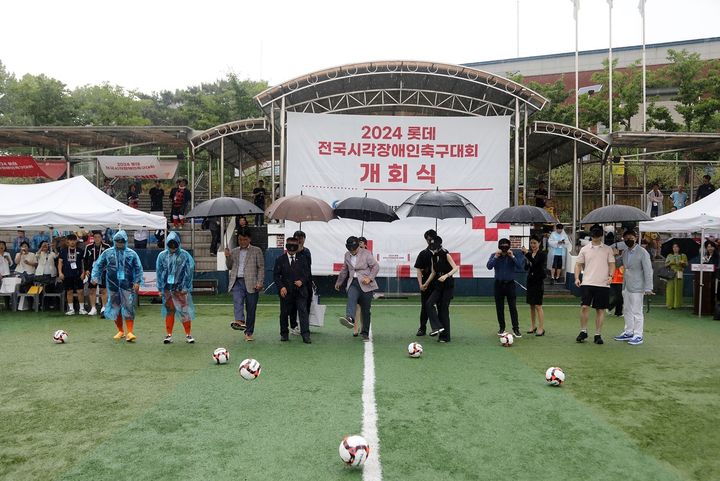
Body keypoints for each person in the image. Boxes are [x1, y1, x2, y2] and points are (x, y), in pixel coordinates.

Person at [91, 230, 144, 342]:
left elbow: (138, 268)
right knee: (116, 307)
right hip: (113, 285)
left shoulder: (132, 254)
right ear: (114, 241)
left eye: (121, 241)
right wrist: (95, 277)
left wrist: (137, 282)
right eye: (117, 241)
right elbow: (98, 265)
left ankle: (130, 332)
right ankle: (120, 331)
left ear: (125, 241)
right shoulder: (107, 253)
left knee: (128, 307)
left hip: (127, 285)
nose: (119, 244)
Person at [574, 224, 615, 345]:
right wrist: (577, 278)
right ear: (591, 235)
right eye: (594, 234)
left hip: (603, 283)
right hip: (587, 282)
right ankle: (583, 330)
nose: (595, 237)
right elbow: (578, 264)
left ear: (601, 235)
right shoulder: (585, 249)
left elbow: (612, 264)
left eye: (598, 234)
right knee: (584, 307)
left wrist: (611, 276)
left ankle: (598, 334)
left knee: (600, 310)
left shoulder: (608, 249)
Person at [613, 230, 654, 346]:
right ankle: (628, 331)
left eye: (630, 237)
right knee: (627, 309)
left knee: (637, 311)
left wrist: (648, 287)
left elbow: (648, 270)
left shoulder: (643, 252)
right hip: (626, 285)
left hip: (638, 286)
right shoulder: (625, 252)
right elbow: (617, 264)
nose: (628, 240)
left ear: (635, 238)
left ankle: (638, 335)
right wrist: (616, 255)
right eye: (625, 238)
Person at [336, 236, 380, 342]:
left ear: (357, 247)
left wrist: (369, 278)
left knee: (366, 310)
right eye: (350, 249)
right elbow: (344, 270)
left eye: (354, 249)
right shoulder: (347, 255)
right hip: (353, 283)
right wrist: (339, 282)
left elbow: (376, 266)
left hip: (366, 284)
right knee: (351, 297)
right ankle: (350, 318)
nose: (352, 251)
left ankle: (365, 333)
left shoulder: (367, 253)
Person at [225, 228, 265, 342]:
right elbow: (229, 266)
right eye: (240, 239)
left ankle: (249, 332)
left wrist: (260, 282)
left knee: (251, 309)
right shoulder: (234, 251)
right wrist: (227, 256)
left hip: (252, 283)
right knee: (237, 301)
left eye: (244, 239)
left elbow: (261, 267)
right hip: (237, 281)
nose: (242, 242)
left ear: (249, 239)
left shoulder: (257, 250)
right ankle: (239, 321)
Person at [156, 231, 196, 344]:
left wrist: (186, 287)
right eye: (170, 245)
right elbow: (159, 272)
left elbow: (189, 271)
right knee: (170, 310)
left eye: (174, 245)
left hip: (180, 289)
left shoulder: (184, 255)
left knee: (184, 311)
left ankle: (188, 334)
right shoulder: (162, 255)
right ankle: (168, 335)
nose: (173, 248)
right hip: (167, 288)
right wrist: (160, 288)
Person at [274, 236, 312, 343]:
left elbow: (307, 273)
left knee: (303, 312)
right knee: (284, 313)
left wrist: (302, 281)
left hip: (300, 291)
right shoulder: (280, 259)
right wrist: (281, 287)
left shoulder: (303, 258)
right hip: (286, 292)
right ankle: (284, 334)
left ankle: (305, 335)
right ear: (286, 247)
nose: (291, 249)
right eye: (289, 246)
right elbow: (276, 275)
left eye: (294, 246)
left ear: (297, 246)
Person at [421, 236, 458, 343]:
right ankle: (437, 327)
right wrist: (425, 284)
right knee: (429, 303)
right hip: (438, 284)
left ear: (439, 245)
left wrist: (446, 275)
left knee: (443, 310)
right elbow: (433, 272)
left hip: (447, 285)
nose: (432, 248)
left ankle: (445, 336)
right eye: (430, 245)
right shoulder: (433, 257)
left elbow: (455, 268)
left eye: (434, 246)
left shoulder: (446, 254)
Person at [487, 238, 525, 338]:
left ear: (508, 247)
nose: (504, 249)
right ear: (499, 247)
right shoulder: (494, 255)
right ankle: (502, 327)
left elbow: (520, 267)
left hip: (510, 284)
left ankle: (516, 329)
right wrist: (495, 256)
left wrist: (512, 256)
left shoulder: (513, 255)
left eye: (506, 246)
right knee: (499, 308)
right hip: (498, 284)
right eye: (502, 246)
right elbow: (489, 266)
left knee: (513, 307)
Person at [522, 235, 547, 336]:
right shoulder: (530, 254)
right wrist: (527, 260)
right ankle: (533, 326)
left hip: (538, 282)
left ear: (539, 243)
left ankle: (541, 328)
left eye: (535, 243)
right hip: (530, 281)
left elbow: (536, 264)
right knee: (531, 305)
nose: (533, 245)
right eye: (531, 243)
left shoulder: (542, 254)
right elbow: (525, 268)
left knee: (538, 305)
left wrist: (527, 255)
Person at [289, 230, 313, 335]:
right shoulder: (290, 251)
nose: (299, 240)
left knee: (306, 306)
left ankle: (304, 326)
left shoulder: (306, 251)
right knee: (293, 306)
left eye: (301, 238)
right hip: (293, 283)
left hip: (306, 282)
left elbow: (308, 266)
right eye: (297, 238)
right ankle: (293, 326)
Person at [414, 229, 436, 336]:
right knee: (425, 306)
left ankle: (438, 328)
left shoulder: (442, 252)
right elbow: (418, 269)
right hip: (426, 285)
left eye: (431, 238)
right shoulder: (423, 254)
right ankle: (422, 328)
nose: (429, 240)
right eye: (427, 239)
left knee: (440, 307)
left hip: (439, 284)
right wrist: (421, 284)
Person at [59, 234, 87, 315]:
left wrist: (83, 272)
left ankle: (82, 309)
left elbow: (83, 263)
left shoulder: (80, 250)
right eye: (70, 240)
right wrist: (60, 272)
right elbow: (60, 262)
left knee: (80, 291)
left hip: (78, 274)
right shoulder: (63, 251)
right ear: (68, 241)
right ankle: (71, 309)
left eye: (73, 240)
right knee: (69, 291)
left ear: (76, 241)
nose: (72, 242)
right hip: (67, 273)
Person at [83, 232, 109, 316]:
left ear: (102, 238)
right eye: (95, 237)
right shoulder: (88, 247)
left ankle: (104, 308)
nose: (97, 238)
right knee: (92, 289)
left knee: (103, 290)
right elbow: (85, 259)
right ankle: (93, 308)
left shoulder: (107, 247)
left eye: (98, 237)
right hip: (92, 271)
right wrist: (86, 269)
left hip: (103, 271)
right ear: (93, 238)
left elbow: (110, 259)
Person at [664, 242, 687, 309]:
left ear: (679, 248)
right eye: (674, 247)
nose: (675, 248)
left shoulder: (683, 255)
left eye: (676, 247)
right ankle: (669, 304)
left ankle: (677, 305)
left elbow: (686, 265)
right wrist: (670, 263)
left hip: (679, 273)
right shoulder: (669, 255)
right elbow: (665, 265)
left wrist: (682, 263)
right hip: (671, 273)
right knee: (670, 288)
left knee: (678, 289)